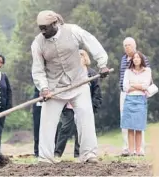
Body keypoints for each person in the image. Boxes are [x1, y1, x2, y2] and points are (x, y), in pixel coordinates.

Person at [31, 10, 109, 163]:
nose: (42, 31)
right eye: (40, 27)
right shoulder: (37, 43)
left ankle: (88, 155)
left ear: (55, 23)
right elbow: (38, 69)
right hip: (54, 88)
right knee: (47, 122)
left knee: (86, 117)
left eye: (45, 27)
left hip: (78, 83)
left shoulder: (72, 30)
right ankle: (45, 159)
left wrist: (102, 63)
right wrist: (44, 88)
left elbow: (91, 41)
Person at [54, 49, 102, 158]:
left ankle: (78, 153)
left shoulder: (91, 73)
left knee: (81, 129)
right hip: (69, 106)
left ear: (85, 59)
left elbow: (97, 91)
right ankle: (57, 153)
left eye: (81, 56)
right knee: (65, 128)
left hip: (85, 106)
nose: (79, 59)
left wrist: (94, 105)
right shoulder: (70, 73)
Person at [120, 37, 149, 156]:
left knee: (139, 123)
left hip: (140, 95)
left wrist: (136, 86)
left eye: (129, 45)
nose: (127, 47)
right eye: (125, 45)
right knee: (126, 121)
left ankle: (140, 149)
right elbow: (124, 81)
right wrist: (126, 87)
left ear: (134, 45)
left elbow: (146, 82)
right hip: (124, 93)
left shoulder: (142, 58)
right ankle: (127, 148)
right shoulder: (123, 59)